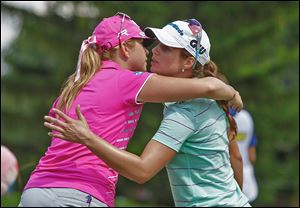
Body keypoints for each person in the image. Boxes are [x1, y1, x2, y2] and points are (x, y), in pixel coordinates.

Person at [18, 13, 242, 207]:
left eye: (164, 47)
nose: (151, 51)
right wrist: (232, 93)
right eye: (144, 44)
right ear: (124, 47)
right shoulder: (130, 81)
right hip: (80, 194)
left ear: (187, 61)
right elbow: (210, 86)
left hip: (36, 190)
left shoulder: (75, 86)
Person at [230, 108, 259, 203]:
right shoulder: (246, 117)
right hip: (245, 174)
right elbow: (252, 156)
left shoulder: (216, 116)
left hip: (222, 174)